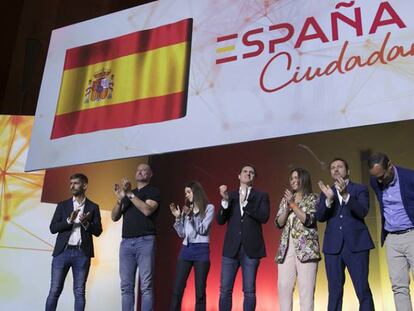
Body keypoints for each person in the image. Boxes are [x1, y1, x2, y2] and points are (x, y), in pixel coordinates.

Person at [316, 158, 375, 311]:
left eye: (340, 167)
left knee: (362, 288)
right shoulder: (327, 192)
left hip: (357, 245)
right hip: (333, 247)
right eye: (333, 167)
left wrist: (346, 195)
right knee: (334, 291)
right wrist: (328, 200)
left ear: (347, 171)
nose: (336, 169)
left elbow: (362, 211)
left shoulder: (360, 189)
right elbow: (320, 217)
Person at [46, 173, 102, 311]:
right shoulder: (63, 205)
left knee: (79, 292)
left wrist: (86, 223)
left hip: (82, 253)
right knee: (54, 290)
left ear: (84, 185)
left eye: (76, 183)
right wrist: (69, 221)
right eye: (71, 183)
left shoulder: (93, 207)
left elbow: (98, 231)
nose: (72, 186)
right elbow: (53, 228)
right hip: (62, 252)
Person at [217, 164, 270, 311]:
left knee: (249, 291)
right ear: (239, 176)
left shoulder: (261, 196)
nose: (248, 174)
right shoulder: (231, 195)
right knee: (225, 290)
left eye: (251, 172)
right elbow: (220, 220)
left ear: (254, 177)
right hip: (231, 248)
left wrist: (245, 203)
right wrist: (225, 201)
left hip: (251, 249)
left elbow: (264, 217)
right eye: (245, 171)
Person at [111, 163, 161, 311]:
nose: (140, 172)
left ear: (150, 174)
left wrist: (130, 194)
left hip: (145, 241)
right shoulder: (128, 194)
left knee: (146, 286)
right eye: (138, 170)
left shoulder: (153, 191)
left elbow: (147, 210)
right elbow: (114, 216)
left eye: (144, 170)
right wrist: (120, 199)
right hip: (126, 243)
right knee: (126, 287)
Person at [368, 152, 414, 311]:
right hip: (392, 239)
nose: (379, 180)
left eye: (382, 176)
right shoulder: (375, 181)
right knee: (398, 286)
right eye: (376, 177)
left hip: (411, 234)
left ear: (390, 165)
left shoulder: (409, 178)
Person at [275, 168, 320, 311]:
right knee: (283, 288)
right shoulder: (286, 199)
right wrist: (288, 207)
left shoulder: (313, 198)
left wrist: (293, 205)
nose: (294, 181)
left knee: (306, 291)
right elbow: (278, 223)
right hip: (286, 248)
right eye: (292, 178)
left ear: (304, 179)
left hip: (306, 249)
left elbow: (309, 220)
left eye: (297, 178)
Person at [169, 181, 215, 311]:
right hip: (186, 249)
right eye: (185, 193)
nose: (187, 195)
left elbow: (202, 230)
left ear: (196, 192)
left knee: (200, 290)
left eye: (189, 192)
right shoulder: (186, 210)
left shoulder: (209, 208)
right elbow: (182, 233)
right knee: (177, 288)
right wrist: (178, 218)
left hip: (201, 249)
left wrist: (191, 216)